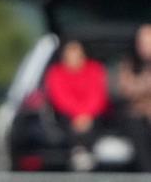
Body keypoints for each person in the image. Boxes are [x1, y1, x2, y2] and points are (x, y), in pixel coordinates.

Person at [44, 40, 109, 171]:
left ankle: (87, 156)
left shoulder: (95, 69)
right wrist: (78, 114)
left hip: (93, 117)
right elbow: (59, 97)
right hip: (67, 117)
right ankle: (79, 156)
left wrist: (86, 115)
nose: (73, 59)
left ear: (83, 56)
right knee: (68, 124)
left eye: (76, 55)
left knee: (91, 125)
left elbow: (98, 95)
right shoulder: (55, 73)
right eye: (69, 55)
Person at [117, 24, 151, 171]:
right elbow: (126, 90)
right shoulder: (128, 64)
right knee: (136, 126)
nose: (145, 47)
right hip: (135, 116)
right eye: (142, 43)